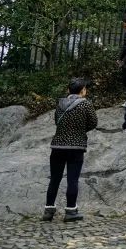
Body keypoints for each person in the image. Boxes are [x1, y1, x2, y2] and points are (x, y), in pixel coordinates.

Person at [44, 78, 98, 223]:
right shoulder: (86, 104)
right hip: (76, 147)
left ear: (68, 90)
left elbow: (57, 121)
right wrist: (80, 130)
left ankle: (48, 210)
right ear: (83, 91)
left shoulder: (60, 104)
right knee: (72, 180)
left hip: (57, 146)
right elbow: (93, 122)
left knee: (54, 179)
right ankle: (71, 211)